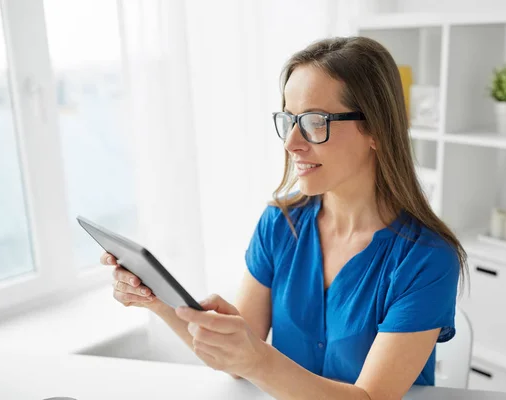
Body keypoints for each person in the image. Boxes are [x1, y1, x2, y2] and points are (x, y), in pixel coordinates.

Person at [101, 36, 467, 400]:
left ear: (375, 129)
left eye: (313, 121)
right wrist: (154, 299)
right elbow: (233, 361)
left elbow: (369, 398)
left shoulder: (428, 258)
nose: (291, 142)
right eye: (289, 120)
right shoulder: (280, 223)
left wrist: (257, 358)